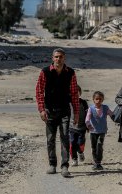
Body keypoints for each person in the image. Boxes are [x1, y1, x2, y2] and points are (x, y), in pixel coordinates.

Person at [35, 48, 79, 178]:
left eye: (60, 57)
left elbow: (74, 94)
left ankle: (65, 166)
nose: (58, 59)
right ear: (52, 58)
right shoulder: (45, 72)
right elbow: (39, 91)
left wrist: (76, 112)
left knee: (65, 137)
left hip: (65, 110)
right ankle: (52, 164)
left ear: (64, 58)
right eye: (56, 57)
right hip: (49, 110)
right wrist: (42, 109)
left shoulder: (70, 73)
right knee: (50, 139)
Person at [85, 91, 113, 171]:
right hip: (93, 131)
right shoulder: (91, 108)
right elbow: (87, 118)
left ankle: (99, 162)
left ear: (103, 100)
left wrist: (117, 118)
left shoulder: (105, 108)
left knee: (99, 145)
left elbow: (112, 115)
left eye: (100, 99)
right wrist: (88, 125)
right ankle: (95, 162)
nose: (98, 101)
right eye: (96, 99)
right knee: (94, 147)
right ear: (93, 100)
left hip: (102, 131)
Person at [69, 85, 89, 166]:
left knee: (80, 143)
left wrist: (88, 125)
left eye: (77, 92)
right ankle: (74, 159)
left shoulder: (83, 102)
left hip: (82, 127)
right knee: (72, 143)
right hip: (71, 127)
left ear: (80, 93)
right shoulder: (69, 102)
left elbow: (88, 114)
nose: (75, 94)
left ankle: (80, 152)